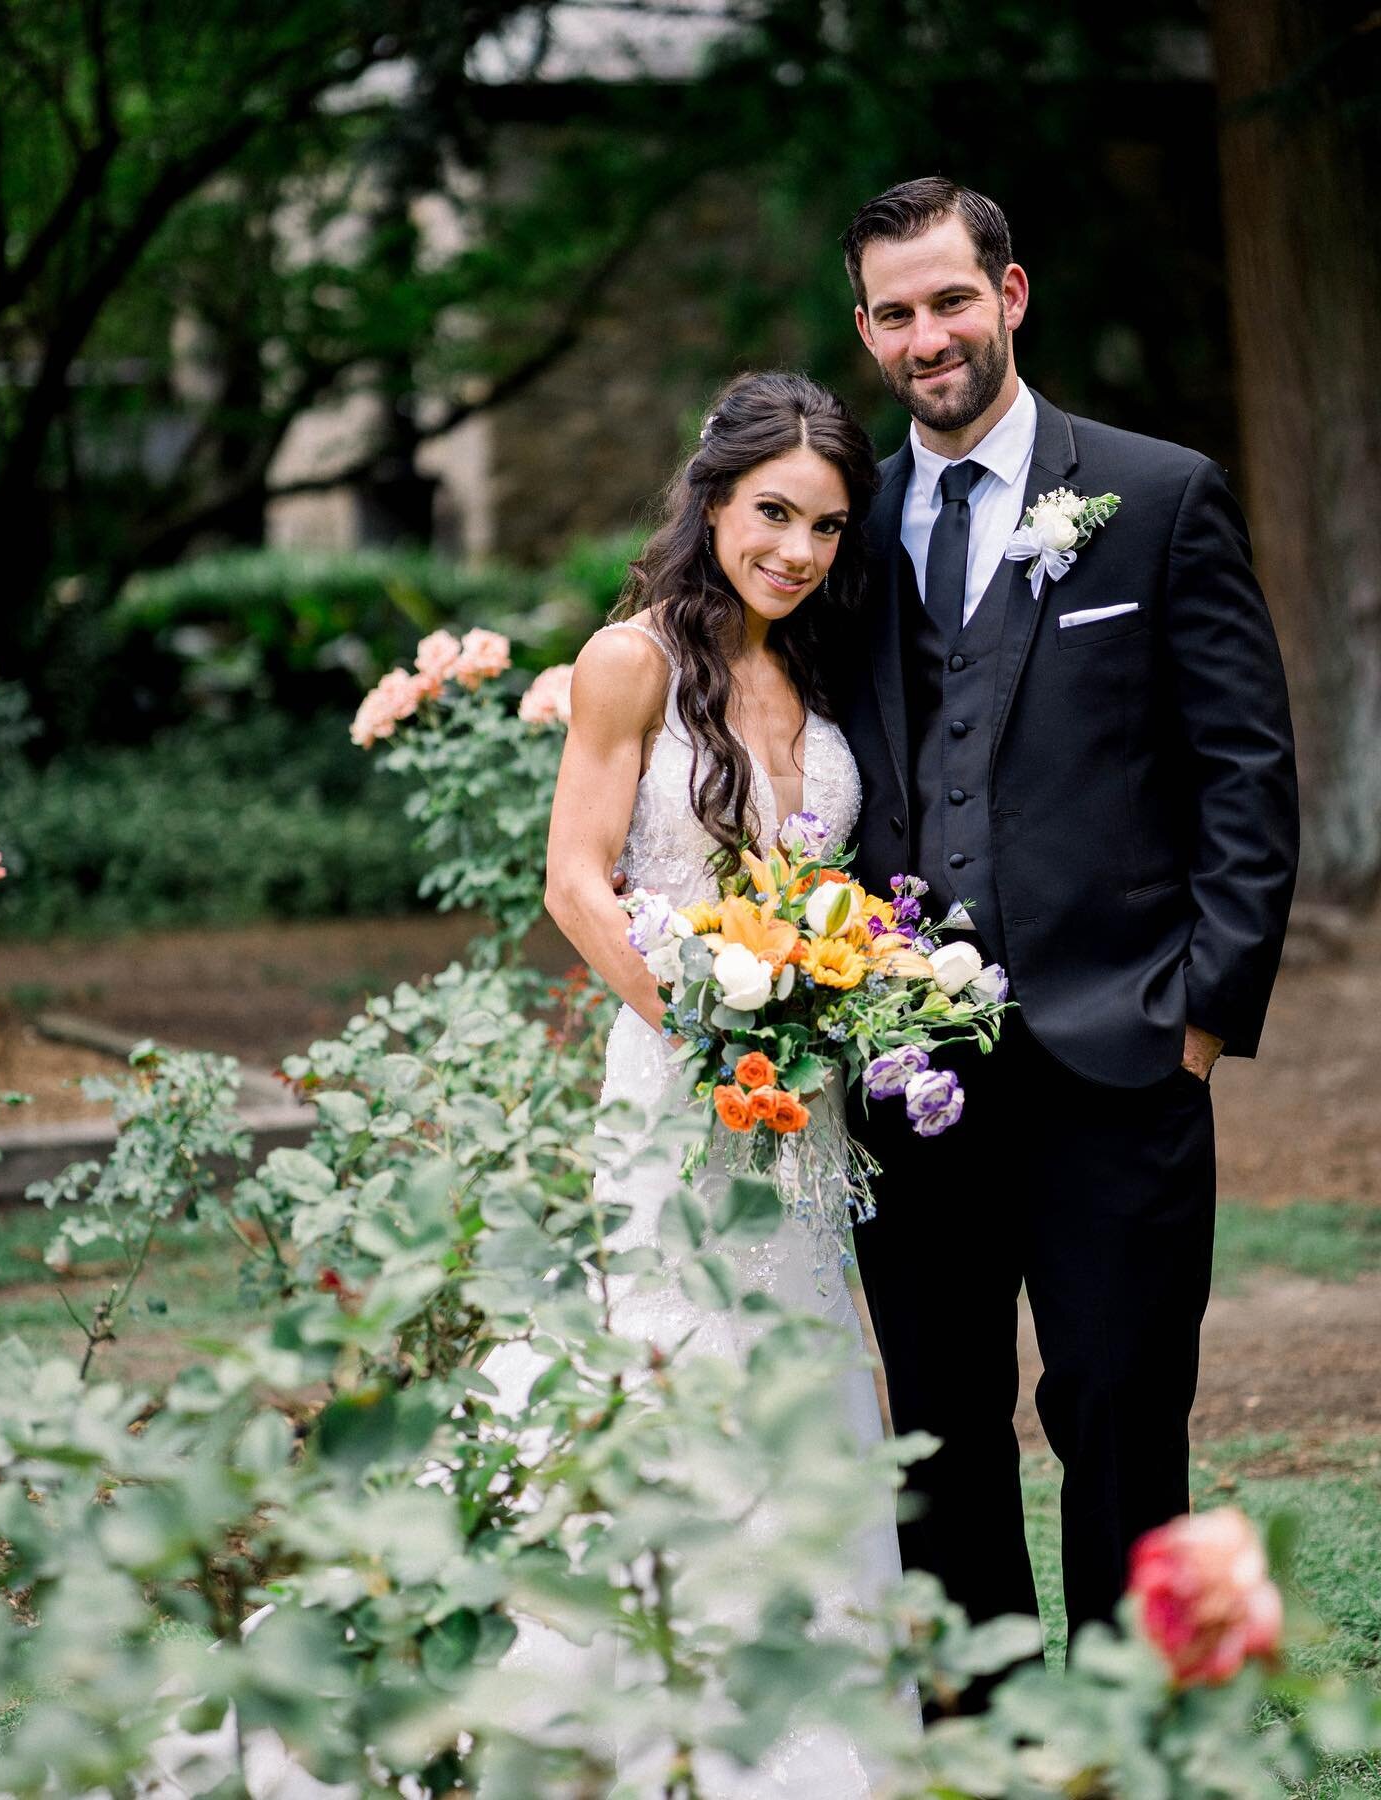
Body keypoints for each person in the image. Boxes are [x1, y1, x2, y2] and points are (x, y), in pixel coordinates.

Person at [836, 176, 1299, 1668]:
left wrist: (1205, 1015)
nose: (928, 336)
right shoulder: (843, 524)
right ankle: (983, 1719)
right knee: (943, 1421)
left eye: (951, 300)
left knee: (1116, 1408)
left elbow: (1245, 771)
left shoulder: (1157, 497)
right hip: (912, 1073)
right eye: (896, 313)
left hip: (1122, 1057)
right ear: (866, 330)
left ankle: (1124, 1725)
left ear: (1011, 297)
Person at [538, 369, 905, 1791]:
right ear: (712, 499)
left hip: (799, 1104)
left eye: (823, 526)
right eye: (773, 513)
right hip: (683, 1084)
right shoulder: (632, 658)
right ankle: (661, 1719)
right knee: (686, 1374)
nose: (797, 551)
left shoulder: (817, 662)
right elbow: (576, 880)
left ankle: (826, 1730)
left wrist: (847, 985)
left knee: (808, 1374)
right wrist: (705, 1023)